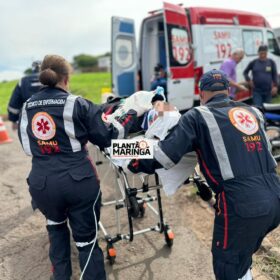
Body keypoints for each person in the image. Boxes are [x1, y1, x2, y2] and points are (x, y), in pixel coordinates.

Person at [128, 69, 280, 280]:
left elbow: (163, 155)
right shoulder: (253, 112)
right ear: (228, 91)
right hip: (274, 199)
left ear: (201, 93)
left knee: (227, 266)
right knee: (242, 256)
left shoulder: (197, 115)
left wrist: (131, 158)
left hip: (241, 206)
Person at [18, 55, 136, 280]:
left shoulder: (27, 107)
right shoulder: (77, 103)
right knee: (86, 243)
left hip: (42, 184)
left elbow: (27, 146)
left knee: (56, 230)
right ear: (66, 78)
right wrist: (130, 115)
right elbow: (108, 136)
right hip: (78, 183)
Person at [8, 61, 42, 130]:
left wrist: (14, 120)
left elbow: (14, 104)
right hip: (50, 121)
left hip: (28, 123)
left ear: (32, 68)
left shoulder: (23, 81)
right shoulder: (51, 79)